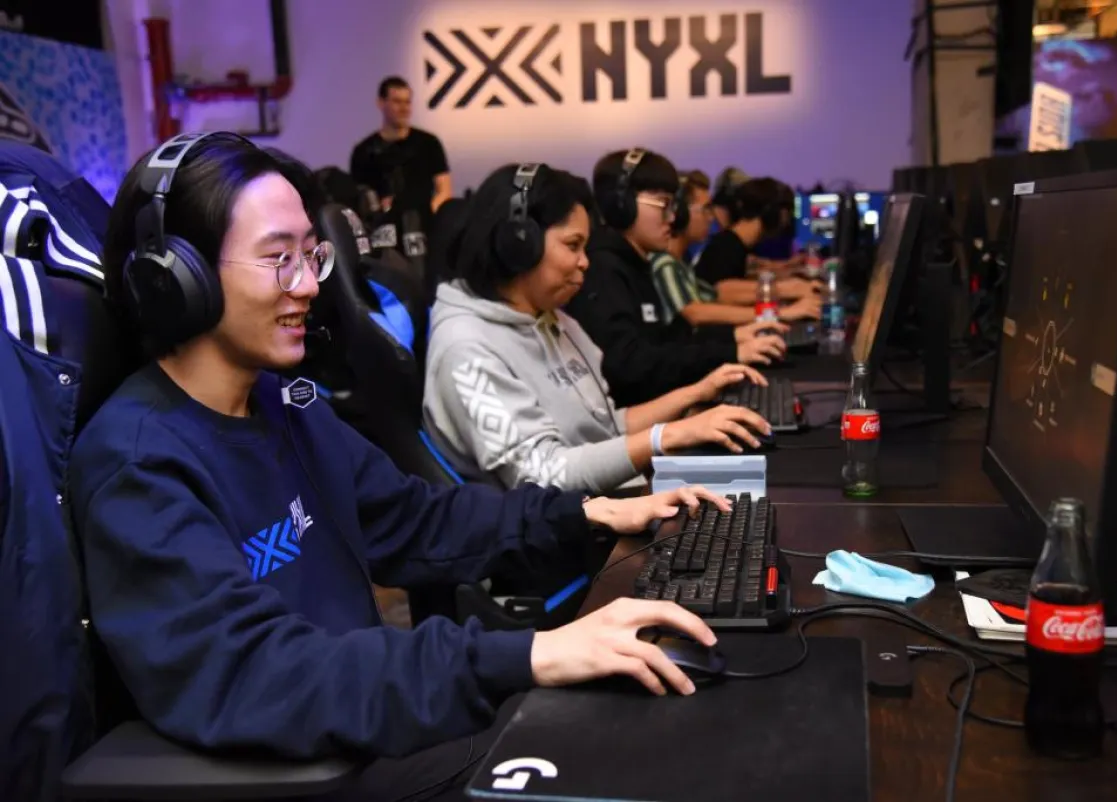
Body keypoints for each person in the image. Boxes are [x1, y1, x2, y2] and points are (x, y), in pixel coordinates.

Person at [69, 132, 726, 800]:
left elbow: (419, 519)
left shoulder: (286, 406)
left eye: (311, 255)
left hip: (366, 724)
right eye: (278, 259)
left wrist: (584, 514)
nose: (309, 285)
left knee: (656, 735)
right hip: (303, 772)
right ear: (175, 278)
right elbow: (258, 671)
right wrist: (530, 653)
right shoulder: (138, 465)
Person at [423, 163, 773, 494]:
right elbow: (542, 473)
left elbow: (605, 426)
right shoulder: (466, 349)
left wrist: (695, 394)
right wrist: (666, 436)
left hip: (604, 503)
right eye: (572, 245)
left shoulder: (552, 320)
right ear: (519, 244)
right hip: (556, 529)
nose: (585, 262)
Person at [565, 148, 786, 408]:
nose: (672, 217)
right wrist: (731, 352)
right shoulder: (603, 271)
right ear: (623, 205)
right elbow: (630, 366)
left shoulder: (634, 264)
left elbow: (665, 343)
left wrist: (734, 338)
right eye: (663, 205)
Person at [651, 172, 822, 327]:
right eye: (706, 209)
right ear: (680, 213)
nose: (711, 218)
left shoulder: (682, 264)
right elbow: (695, 311)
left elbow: (716, 294)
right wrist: (779, 310)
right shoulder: (666, 263)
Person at [693, 177, 824, 306]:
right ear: (772, 213)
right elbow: (721, 290)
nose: (787, 222)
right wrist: (786, 289)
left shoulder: (735, 244)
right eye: (787, 213)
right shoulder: (725, 247)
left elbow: (743, 280)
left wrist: (791, 277)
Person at [349, 76, 452, 222]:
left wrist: (428, 215)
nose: (404, 108)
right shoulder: (363, 151)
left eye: (407, 102)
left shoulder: (429, 143)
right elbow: (358, 199)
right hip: (381, 227)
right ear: (381, 103)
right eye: (397, 102)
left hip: (425, 226)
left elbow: (444, 190)